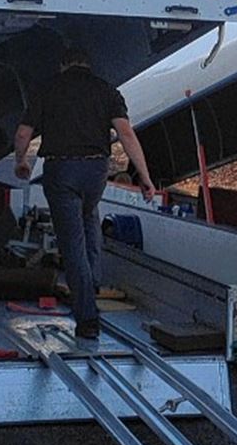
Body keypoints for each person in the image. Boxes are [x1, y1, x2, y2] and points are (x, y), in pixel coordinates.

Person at [13, 47, 155, 340]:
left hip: (62, 171)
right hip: (96, 172)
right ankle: (93, 282)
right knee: (89, 216)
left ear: (63, 64)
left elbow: (23, 133)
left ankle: (87, 318)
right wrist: (144, 175)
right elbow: (126, 134)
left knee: (72, 244)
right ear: (88, 65)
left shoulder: (48, 89)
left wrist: (21, 162)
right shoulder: (107, 91)